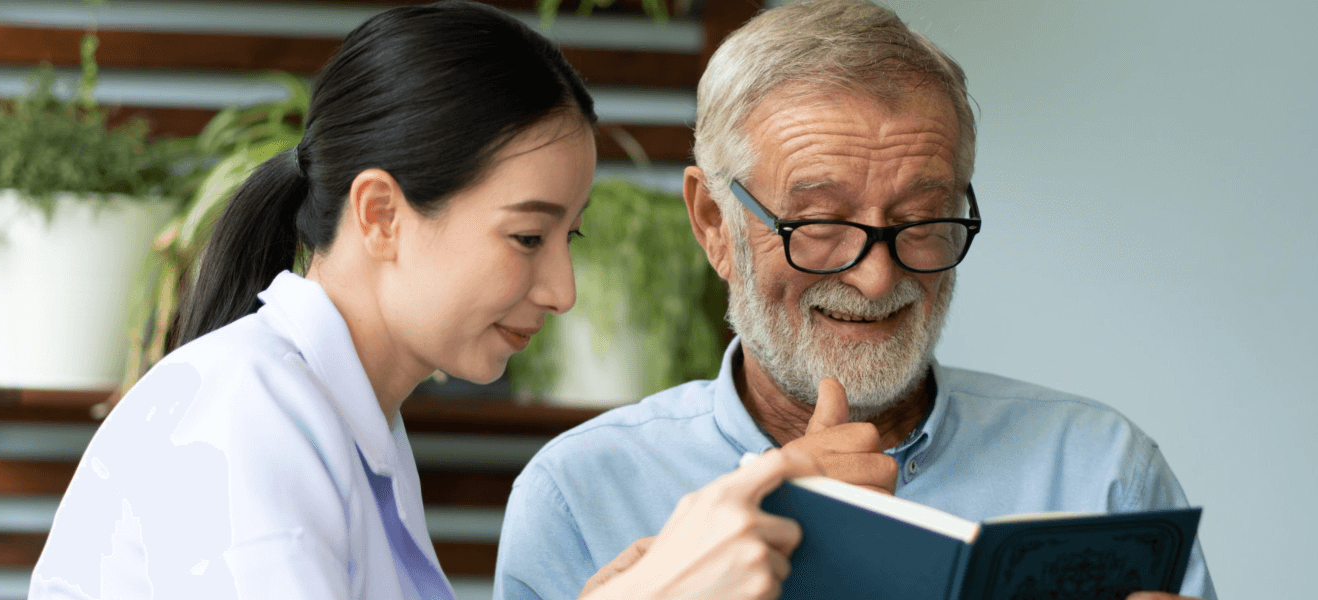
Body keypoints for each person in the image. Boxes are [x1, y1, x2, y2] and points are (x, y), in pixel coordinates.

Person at [27, 3, 821, 599]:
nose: (562, 292)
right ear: (380, 215)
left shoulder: (350, 421)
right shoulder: (249, 410)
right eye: (525, 237)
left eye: (567, 239)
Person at [493, 1, 1216, 599]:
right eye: (821, 225)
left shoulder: (1102, 471)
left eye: (921, 220)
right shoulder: (579, 495)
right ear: (715, 224)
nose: (876, 279)